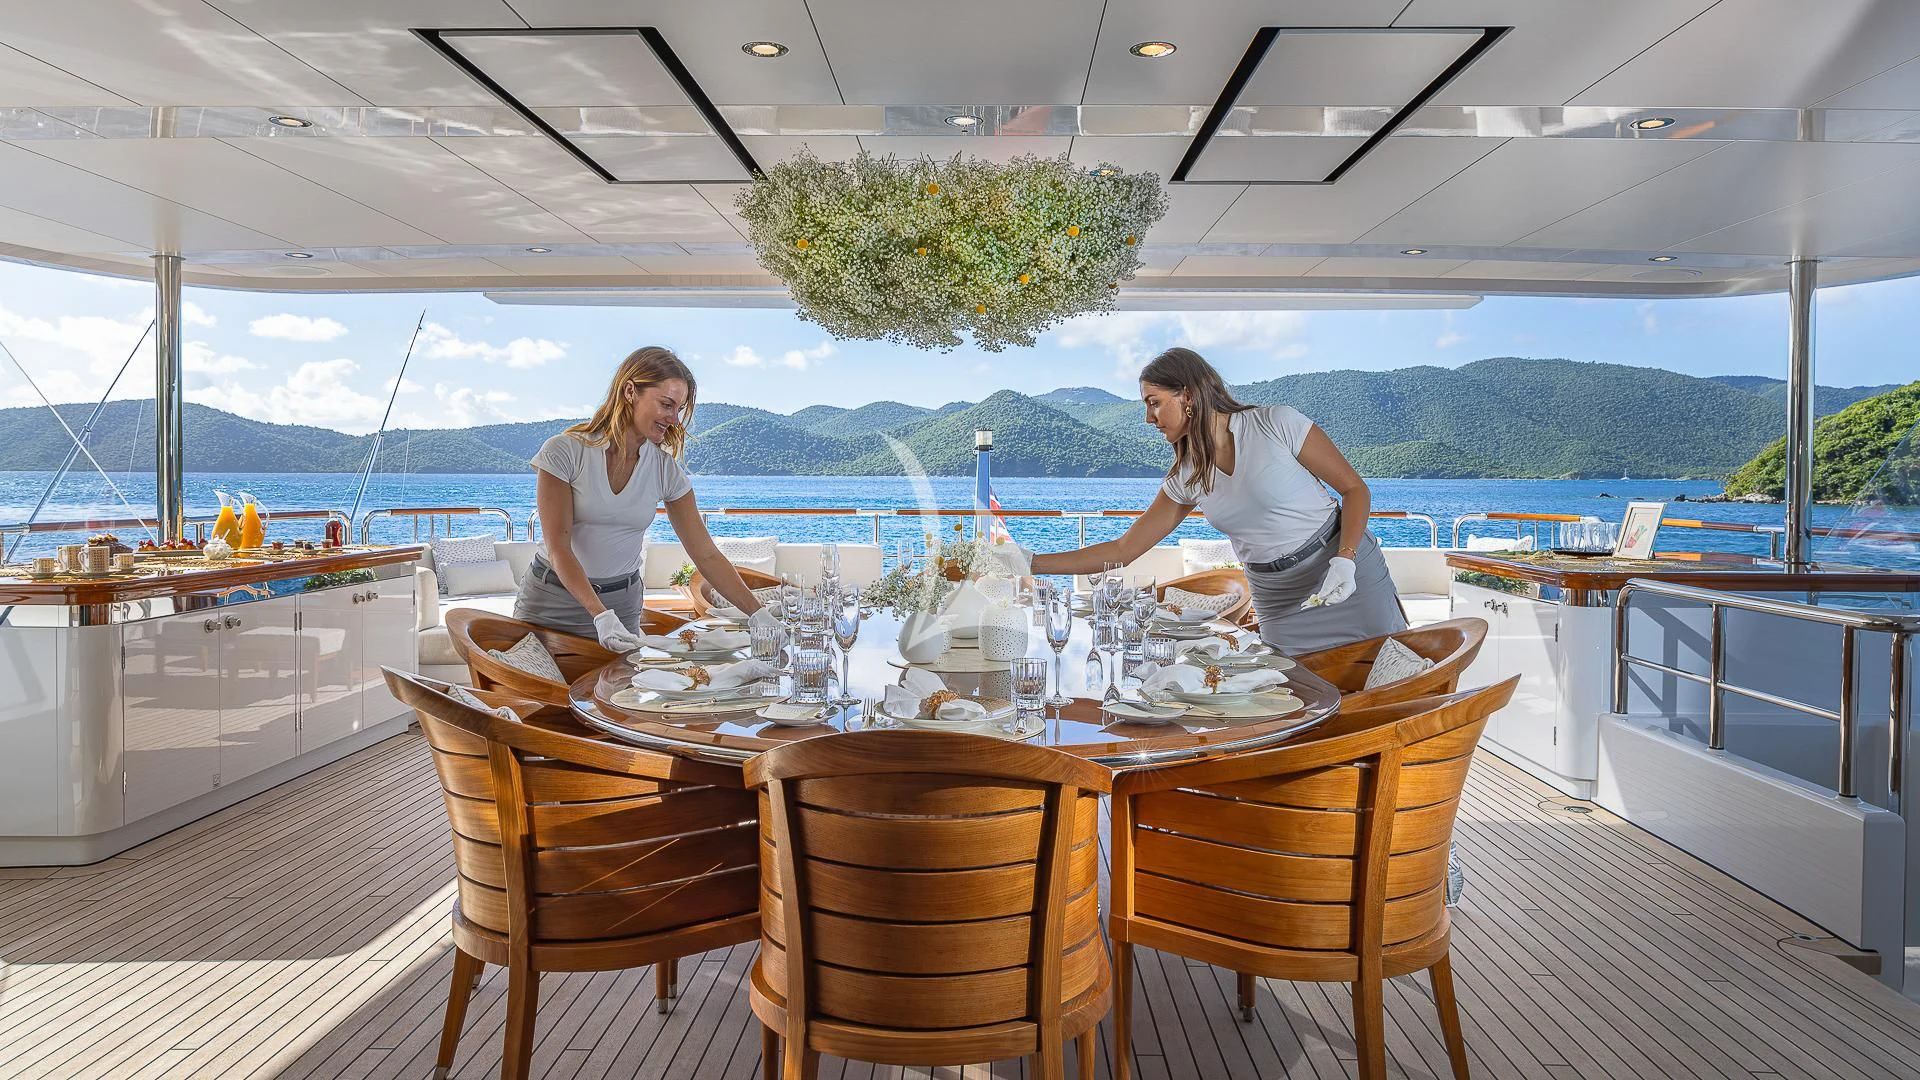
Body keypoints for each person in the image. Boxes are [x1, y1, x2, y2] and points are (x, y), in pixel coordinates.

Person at [1022, 347, 1406, 654]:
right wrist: (1027, 562)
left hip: (1345, 576)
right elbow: (1123, 549)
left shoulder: (1276, 423)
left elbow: (1355, 489)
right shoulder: (1188, 474)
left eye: (1153, 402)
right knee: (1290, 706)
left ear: (1187, 395)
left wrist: (1345, 558)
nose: (1147, 417)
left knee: (1390, 685)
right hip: (1277, 599)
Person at [515, 346, 773, 651]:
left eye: (678, 409)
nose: (674, 419)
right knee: (541, 697)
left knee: (617, 698)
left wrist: (759, 614)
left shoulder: (664, 469)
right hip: (552, 605)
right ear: (629, 391)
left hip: (621, 608)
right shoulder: (565, 452)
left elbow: (706, 554)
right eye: (666, 404)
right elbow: (559, 549)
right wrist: (600, 616)